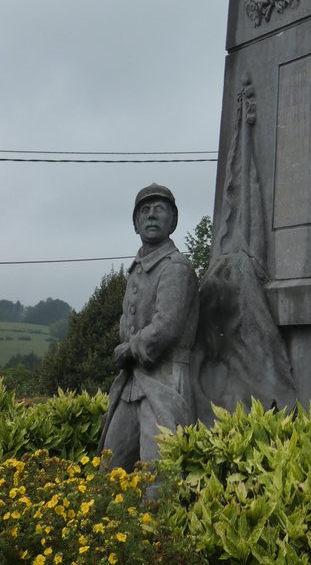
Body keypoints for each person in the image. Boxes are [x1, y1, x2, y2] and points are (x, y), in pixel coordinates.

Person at [99, 184, 199, 475]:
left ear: (173, 221)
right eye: (144, 211)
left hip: (165, 382)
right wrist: (127, 345)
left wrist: (129, 348)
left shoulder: (176, 267)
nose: (151, 216)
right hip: (133, 382)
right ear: (135, 223)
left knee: (157, 477)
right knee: (109, 470)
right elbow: (126, 323)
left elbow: (166, 327)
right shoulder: (138, 269)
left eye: (160, 210)